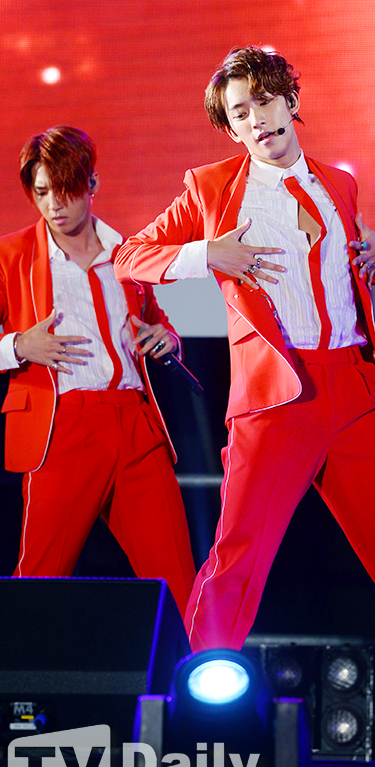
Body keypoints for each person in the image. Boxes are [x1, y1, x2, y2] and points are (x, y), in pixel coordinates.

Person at [114, 47, 375, 764]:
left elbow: (353, 266)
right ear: (231, 129)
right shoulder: (211, 188)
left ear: (290, 100)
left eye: (265, 101)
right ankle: (186, 734)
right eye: (240, 113)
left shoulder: (339, 185)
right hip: (274, 400)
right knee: (234, 567)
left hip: (352, 393)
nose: (257, 120)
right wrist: (206, 255)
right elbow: (131, 256)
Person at [0, 126, 195, 616]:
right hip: (62, 427)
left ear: (92, 185)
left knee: (178, 579)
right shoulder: (12, 257)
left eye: (65, 190)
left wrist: (167, 340)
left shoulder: (126, 253)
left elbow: (156, 322)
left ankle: (195, 667)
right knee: (39, 579)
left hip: (135, 425)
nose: (53, 205)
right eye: (41, 192)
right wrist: (19, 345)